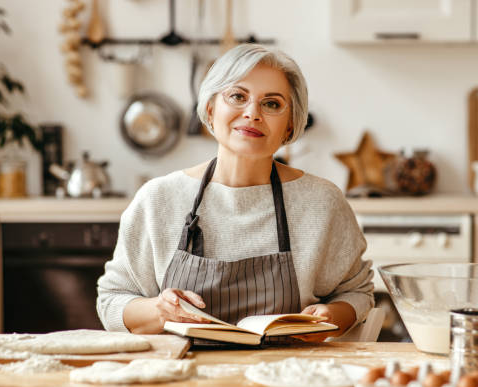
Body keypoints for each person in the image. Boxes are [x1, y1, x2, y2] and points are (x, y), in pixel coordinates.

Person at [97, 44, 374, 341]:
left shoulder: (322, 203)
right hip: (181, 378)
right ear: (211, 109)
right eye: (238, 97)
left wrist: (334, 318)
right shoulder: (157, 200)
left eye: (272, 104)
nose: (252, 113)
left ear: (290, 124)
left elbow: (356, 293)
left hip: (287, 378)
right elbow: (112, 301)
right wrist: (158, 311)